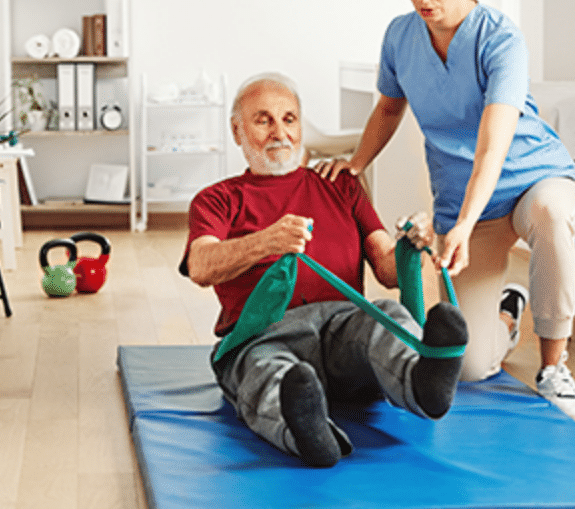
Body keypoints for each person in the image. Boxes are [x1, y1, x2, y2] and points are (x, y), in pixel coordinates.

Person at [315, 0, 575, 427]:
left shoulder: (500, 38)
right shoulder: (400, 37)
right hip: (467, 204)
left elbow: (493, 143)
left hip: (536, 178)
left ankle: (556, 369)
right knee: (467, 367)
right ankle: (509, 313)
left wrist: (461, 226)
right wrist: (355, 164)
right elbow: (389, 108)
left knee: (552, 215)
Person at [179, 72, 468, 467]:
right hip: (264, 336)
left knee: (389, 316)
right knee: (264, 371)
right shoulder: (217, 199)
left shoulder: (341, 184)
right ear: (237, 131)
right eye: (263, 120)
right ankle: (308, 432)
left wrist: (413, 243)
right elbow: (200, 265)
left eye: (289, 118)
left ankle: (424, 386)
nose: (279, 132)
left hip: (343, 330)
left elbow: (386, 269)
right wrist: (266, 241)